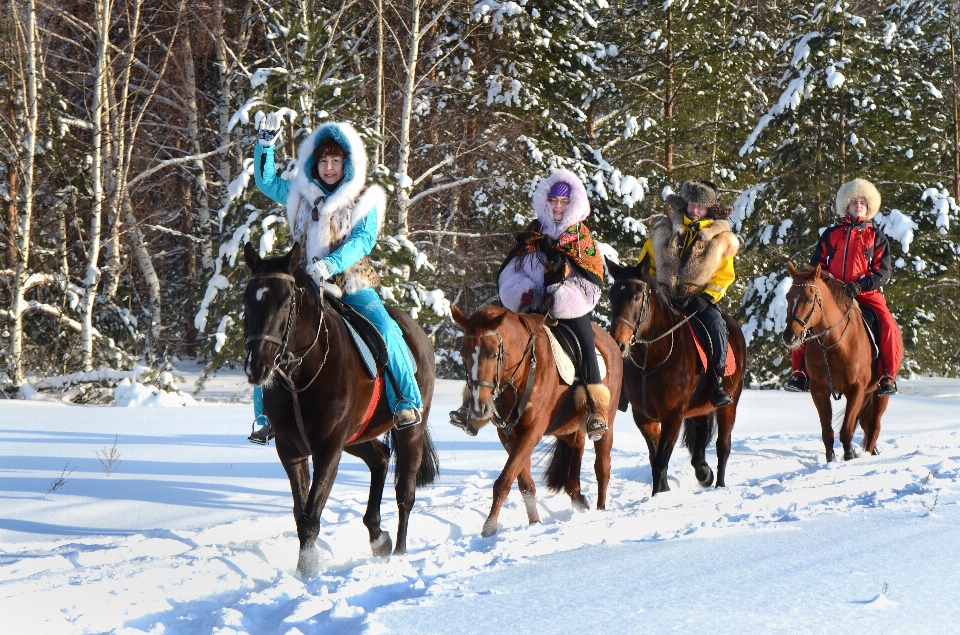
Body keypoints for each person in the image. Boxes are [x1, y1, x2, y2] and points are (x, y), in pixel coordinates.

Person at [247, 112, 423, 444]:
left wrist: (330, 264)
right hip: (303, 283)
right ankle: (264, 416)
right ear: (314, 163)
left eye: (336, 161)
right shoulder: (298, 193)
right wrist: (265, 147)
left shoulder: (362, 199)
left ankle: (407, 399)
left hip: (352, 282)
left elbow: (364, 240)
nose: (329, 167)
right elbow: (266, 181)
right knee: (267, 329)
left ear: (347, 165)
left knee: (385, 328)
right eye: (324, 160)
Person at [449, 169, 610, 441]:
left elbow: (592, 281)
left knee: (585, 343)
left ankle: (594, 409)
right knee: (490, 344)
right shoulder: (532, 233)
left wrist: (561, 294)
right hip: (530, 309)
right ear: (545, 202)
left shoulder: (583, 240)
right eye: (553, 201)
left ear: (574, 204)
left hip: (569, 310)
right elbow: (513, 268)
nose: (558, 207)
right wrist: (521, 291)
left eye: (564, 202)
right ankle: (471, 406)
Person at [786, 178, 902, 396]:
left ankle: (887, 375)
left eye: (863, 203)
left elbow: (883, 272)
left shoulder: (877, 237)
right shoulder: (830, 234)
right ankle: (799, 372)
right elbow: (817, 267)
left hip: (866, 293)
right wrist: (830, 281)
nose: (858, 206)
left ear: (868, 208)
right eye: (854, 202)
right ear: (846, 206)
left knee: (889, 326)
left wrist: (860, 285)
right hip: (832, 293)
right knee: (804, 318)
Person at [638, 180, 739, 408]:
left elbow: (724, 276)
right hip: (663, 300)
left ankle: (716, 381)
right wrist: (652, 292)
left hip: (699, 302)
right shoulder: (662, 231)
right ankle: (627, 382)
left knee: (716, 326)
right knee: (631, 324)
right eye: (692, 204)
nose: (695, 210)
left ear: (709, 209)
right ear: (685, 203)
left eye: (700, 207)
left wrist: (706, 299)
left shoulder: (721, 240)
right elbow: (646, 267)